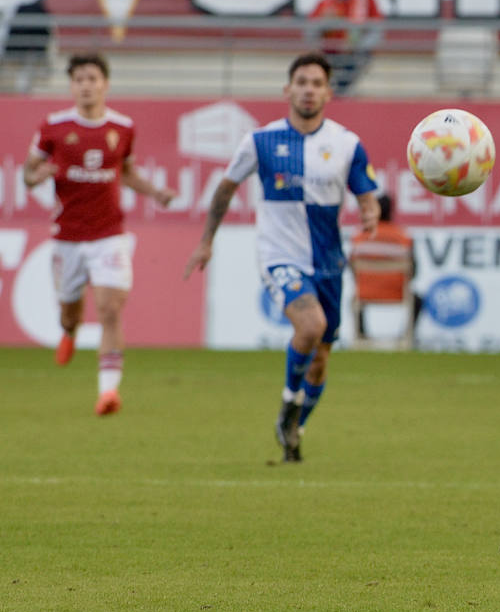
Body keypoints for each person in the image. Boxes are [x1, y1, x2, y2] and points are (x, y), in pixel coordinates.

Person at [184, 52, 380, 463]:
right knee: (311, 325)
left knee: (321, 359)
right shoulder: (260, 141)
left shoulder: (346, 144)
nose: (308, 90)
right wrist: (207, 241)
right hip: (279, 256)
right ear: (287, 89)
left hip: (328, 262)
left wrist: (369, 213)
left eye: (316, 83)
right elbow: (225, 188)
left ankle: (295, 426)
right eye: (302, 82)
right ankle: (289, 405)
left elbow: (366, 193)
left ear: (328, 92)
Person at [22, 53, 175, 416]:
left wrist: (156, 192)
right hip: (67, 237)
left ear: (105, 83)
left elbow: (126, 172)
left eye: (92, 78)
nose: (86, 85)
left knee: (110, 309)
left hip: (109, 234)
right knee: (69, 312)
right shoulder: (53, 127)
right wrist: (38, 176)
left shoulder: (123, 128)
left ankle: (108, 392)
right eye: (79, 79)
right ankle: (69, 333)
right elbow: (28, 173)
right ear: (71, 85)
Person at [349, 192, 421, 343]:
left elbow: (352, 268)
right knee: (418, 300)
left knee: (352, 299)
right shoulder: (403, 237)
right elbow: (414, 271)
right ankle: (406, 338)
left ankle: (362, 335)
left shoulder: (359, 238)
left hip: (365, 292)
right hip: (397, 293)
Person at [308, 0, 383, 94]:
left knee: (353, 64)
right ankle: (337, 94)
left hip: (355, 53)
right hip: (330, 52)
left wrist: (357, 45)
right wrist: (324, 23)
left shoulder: (366, 0)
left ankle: (339, 94)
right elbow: (309, 33)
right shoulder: (326, 1)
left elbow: (377, 31)